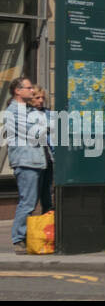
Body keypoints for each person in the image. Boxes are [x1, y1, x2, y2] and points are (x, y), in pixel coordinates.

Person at [3, 77, 46, 254]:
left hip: (34, 160)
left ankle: (27, 236)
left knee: (31, 201)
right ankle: (18, 238)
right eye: (28, 88)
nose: (32, 91)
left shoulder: (26, 110)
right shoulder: (14, 111)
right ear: (17, 91)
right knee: (27, 202)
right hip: (26, 161)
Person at [31, 87, 54, 215]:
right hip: (34, 158)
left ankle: (46, 216)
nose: (40, 101)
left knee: (47, 189)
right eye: (37, 98)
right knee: (34, 191)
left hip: (48, 156)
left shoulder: (48, 113)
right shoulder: (28, 114)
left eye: (42, 98)